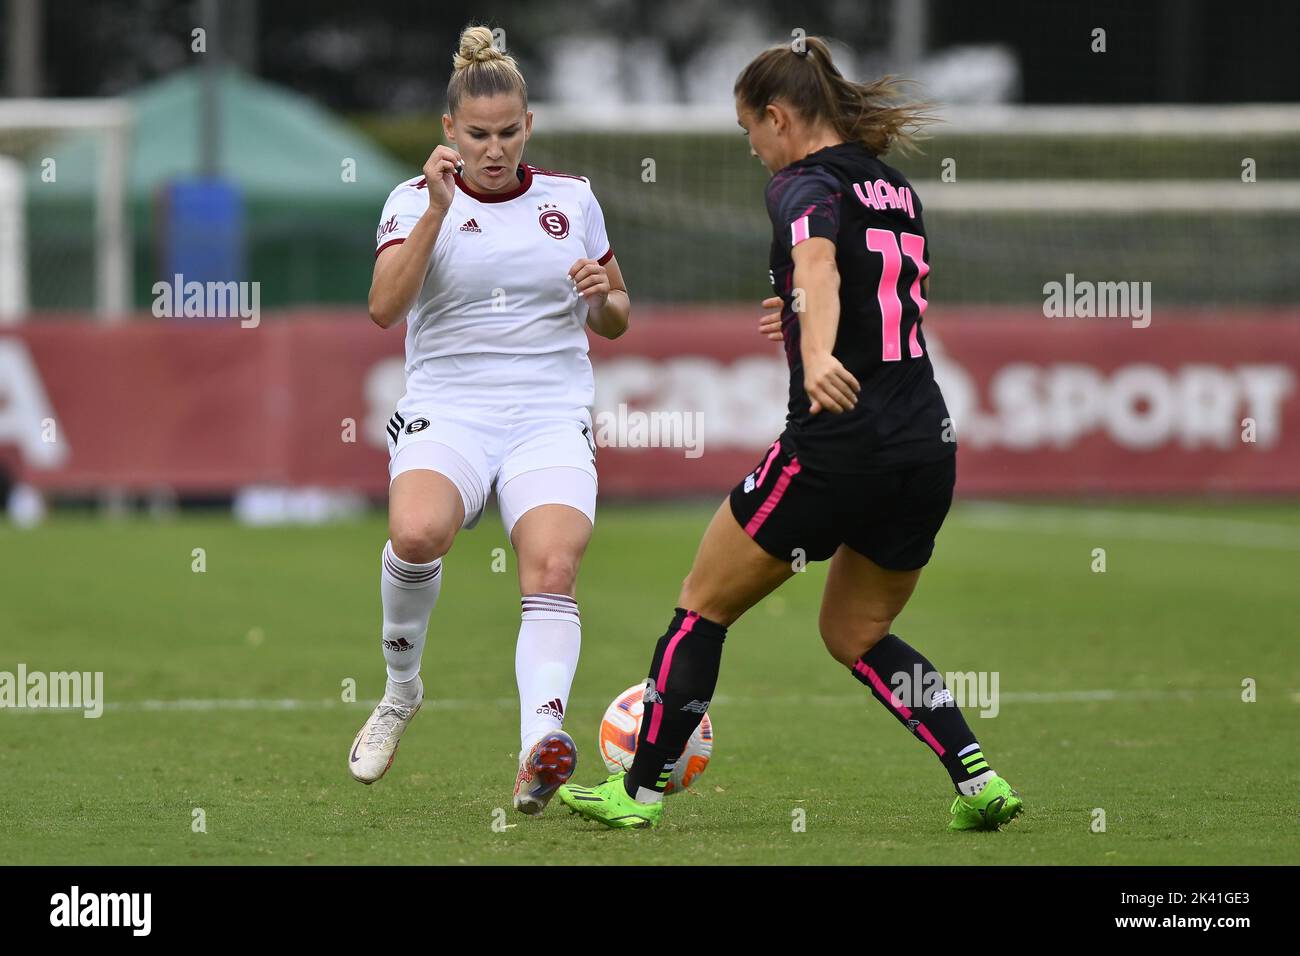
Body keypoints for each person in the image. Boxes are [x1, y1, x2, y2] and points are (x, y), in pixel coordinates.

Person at [558, 37, 1021, 831]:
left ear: (777, 118)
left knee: (701, 606)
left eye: (749, 130)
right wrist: (802, 318)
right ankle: (978, 780)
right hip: (925, 444)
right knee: (858, 632)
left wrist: (811, 353)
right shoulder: (895, 188)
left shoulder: (799, 183)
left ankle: (633, 793)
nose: (751, 149)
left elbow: (818, 266)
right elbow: (869, 292)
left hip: (838, 445)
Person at [350, 24, 630, 817]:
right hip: (450, 411)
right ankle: (401, 693)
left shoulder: (571, 200)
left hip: (548, 412)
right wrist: (440, 212)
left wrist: (599, 296)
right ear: (450, 132)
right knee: (415, 536)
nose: (494, 148)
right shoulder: (411, 201)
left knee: (552, 568)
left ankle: (537, 746)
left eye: (509, 132)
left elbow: (617, 318)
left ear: (529, 126)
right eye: (478, 134)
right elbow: (381, 310)